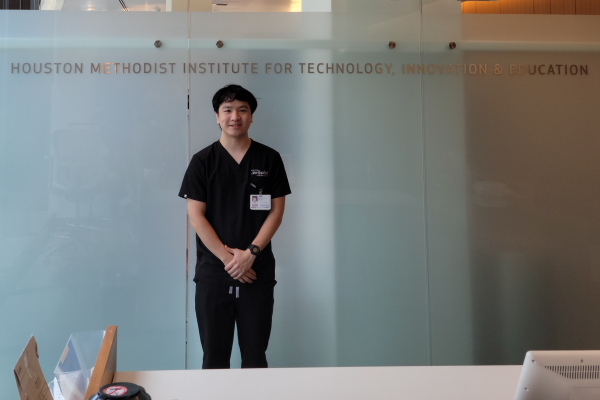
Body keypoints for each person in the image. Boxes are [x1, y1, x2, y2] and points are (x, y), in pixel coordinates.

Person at [178, 84, 291, 369]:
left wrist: (250, 253)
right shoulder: (202, 162)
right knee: (214, 359)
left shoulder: (269, 159)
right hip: (214, 275)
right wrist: (230, 260)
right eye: (227, 110)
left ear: (251, 116)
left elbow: (276, 212)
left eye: (243, 110)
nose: (235, 116)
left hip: (256, 273)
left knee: (255, 357)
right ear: (217, 116)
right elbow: (196, 216)